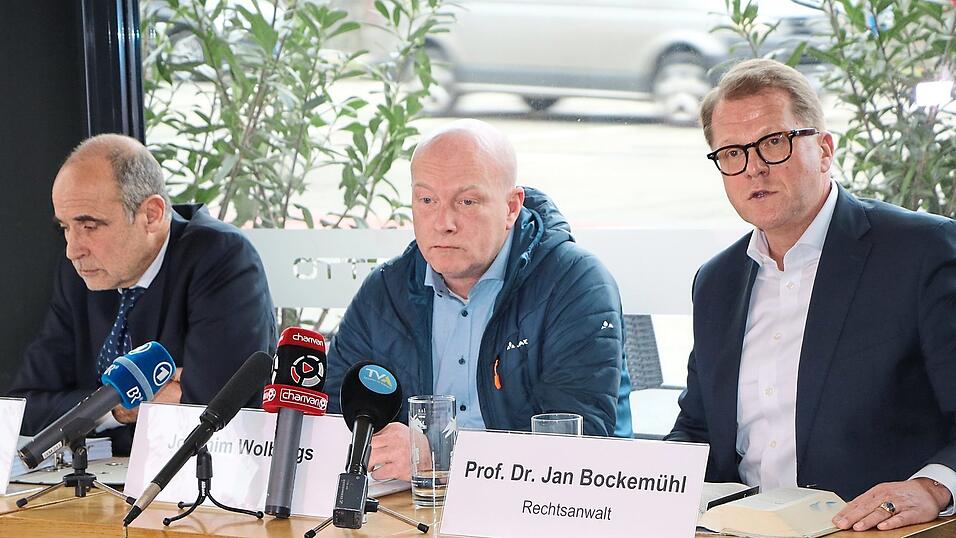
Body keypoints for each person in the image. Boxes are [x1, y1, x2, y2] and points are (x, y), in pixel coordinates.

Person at [666, 58, 956, 531]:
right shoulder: (716, 281)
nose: (753, 168)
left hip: (872, 530)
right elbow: (697, 430)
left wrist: (933, 487)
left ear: (824, 150)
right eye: (732, 153)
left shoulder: (922, 251)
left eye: (774, 143)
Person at [325, 119, 633, 480]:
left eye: (467, 201)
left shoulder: (574, 284)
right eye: (427, 200)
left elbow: (575, 446)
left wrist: (438, 455)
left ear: (511, 207)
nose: (444, 222)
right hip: (410, 512)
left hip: (546, 513)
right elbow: (332, 416)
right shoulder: (385, 291)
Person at [7, 133, 277, 455]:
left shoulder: (221, 258)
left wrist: (94, 404)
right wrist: (121, 406)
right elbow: (25, 407)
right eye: (65, 228)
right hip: (98, 483)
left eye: (89, 226)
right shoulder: (83, 271)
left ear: (150, 214)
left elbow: (212, 411)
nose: (72, 250)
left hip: (195, 488)